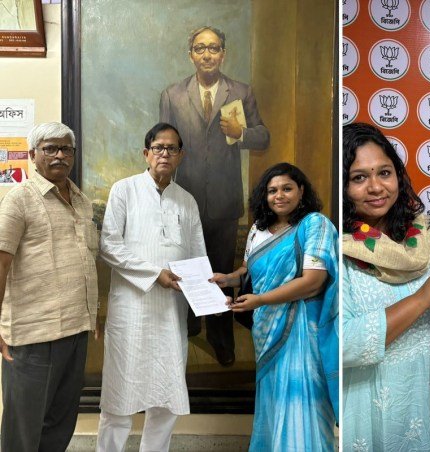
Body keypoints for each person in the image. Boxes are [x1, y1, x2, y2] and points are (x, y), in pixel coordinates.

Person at [341, 123, 430, 451]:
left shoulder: (425, 241)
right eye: (358, 178)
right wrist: (421, 298)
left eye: (384, 172)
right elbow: (343, 344)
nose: (375, 187)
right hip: (360, 410)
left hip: (420, 411)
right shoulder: (336, 247)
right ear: (342, 187)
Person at [160, 25, 270, 366]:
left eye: (214, 48)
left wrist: (243, 133)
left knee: (221, 271)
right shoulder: (173, 95)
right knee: (188, 267)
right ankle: (189, 325)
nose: (207, 54)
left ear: (223, 53)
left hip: (224, 200)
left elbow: (263, 137)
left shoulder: (241, 91)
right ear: (190, 53)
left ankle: (221, 339)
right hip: (184, 198)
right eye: (200, 48)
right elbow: (165, 145)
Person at [210, 163, 337, 450]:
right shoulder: (258, 228)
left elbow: (314, 282)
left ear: (301, 190)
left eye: (287, 188)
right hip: (266, 329)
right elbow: (249, 268)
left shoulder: (314, 225)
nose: (279, 195)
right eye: (272, 190)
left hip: (302, 328)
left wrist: (261, 300)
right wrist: (228, 278)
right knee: (273, 401)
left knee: (302, 401)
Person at [95, 123, 207, 451]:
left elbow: (197, 253)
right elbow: (109, 245)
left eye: (172, 149)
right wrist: (154, 273)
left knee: (167, 395)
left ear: (180, 156)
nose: (164, 154)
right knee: (119, 394)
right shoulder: (124, 190)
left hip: (172, 311)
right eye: (158, 147)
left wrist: (207, 290)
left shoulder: (186, 201)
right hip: (131, 308)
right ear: (146, 153)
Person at [0, 122, 98, 451]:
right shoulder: (19, 200)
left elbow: (86, 260)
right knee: (23, 430)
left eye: (66, 149)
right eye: (50, 148)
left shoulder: (82, 202)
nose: (59, 155)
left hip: (75, 330)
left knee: (60, 423)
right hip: (33, 337)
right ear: (32, 155)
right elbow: (1, 262)